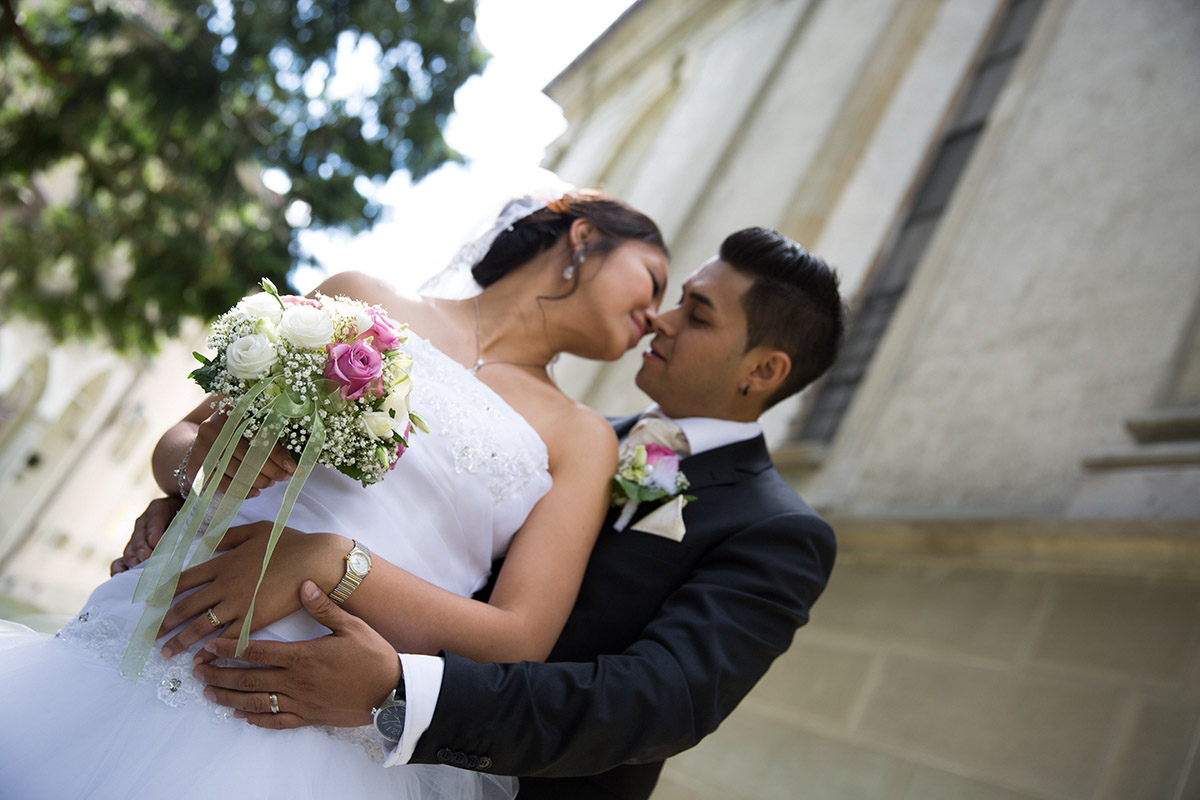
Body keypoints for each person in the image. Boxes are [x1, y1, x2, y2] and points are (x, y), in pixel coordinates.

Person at [0, 190, 671, 799]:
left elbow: (518, 638)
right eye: (652, 280)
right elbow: (179, 441)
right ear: (583, 238)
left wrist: (330, 562)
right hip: (167, 629)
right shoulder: (358, 302)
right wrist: (199, 465)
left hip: (318, 715)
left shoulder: (582, 438)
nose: (655, 315)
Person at [149, 227, 846, 800]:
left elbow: (648, 703)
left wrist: (398, 690)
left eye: (696, 314)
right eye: (673, 297)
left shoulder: (777, 532)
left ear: (764, 371)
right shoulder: (575, 438)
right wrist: (186, 500)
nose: (659, 322)